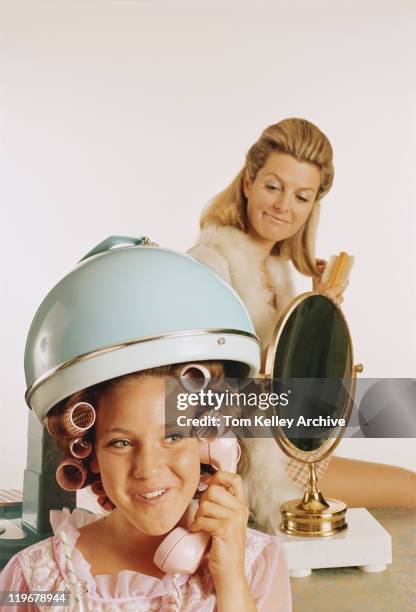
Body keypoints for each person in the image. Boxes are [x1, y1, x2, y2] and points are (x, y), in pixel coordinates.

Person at [0, 238, 291, 611]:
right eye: (121, 443)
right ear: (88, 451)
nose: (148, 469)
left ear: (208, 441)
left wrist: (230, 575)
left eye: (172, 436)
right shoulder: (33, 577)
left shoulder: (256, 563)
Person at [188, 117, 415, 531]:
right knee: (411, 490)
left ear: (313, 206)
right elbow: (206, 387)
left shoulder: (277, 272)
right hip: (246, 461)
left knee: (411, 487)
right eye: (273, 187)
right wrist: (311, 320)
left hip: (290, 450)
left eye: (301, 196)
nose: (283, 207)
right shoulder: (211, 264)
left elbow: (304, 390)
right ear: (248, 183)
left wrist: (319, 308)